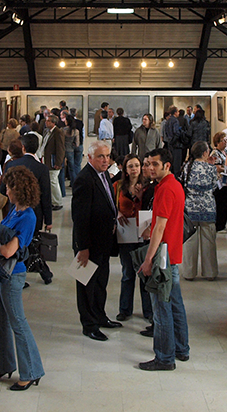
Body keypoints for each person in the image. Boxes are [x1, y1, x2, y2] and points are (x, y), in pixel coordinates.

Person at [0, 166, 46, 391]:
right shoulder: (14, 210)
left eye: (9, 187)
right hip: (0, 271)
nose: (6, 191)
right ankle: (3, 365)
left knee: (17, 322)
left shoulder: (28, 216)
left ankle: (31, 371)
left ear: (18, 189)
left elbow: (10, 250)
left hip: (13, 274)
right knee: (0, 321)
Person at [138, 148, 190, 371]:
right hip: (172, 252)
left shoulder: (167, 188)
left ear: (167, 166)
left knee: (161, 308)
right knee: (175, 303)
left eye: (155, 164)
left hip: (163, 256)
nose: (150, 168)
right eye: (148, 163)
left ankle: (165, 357)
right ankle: (181, 348)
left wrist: (148, 260)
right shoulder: (172, 185)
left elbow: (159, 228)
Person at [72, 141, 121, 341]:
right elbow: (80, 218)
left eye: (107, 156)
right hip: (89, 245)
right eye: (101, 156)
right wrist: (83, 248)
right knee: (87, 286)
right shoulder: (84, 179)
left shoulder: (103, 175)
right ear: (89, 158)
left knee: (101, 282)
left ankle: (100, 316)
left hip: (103, 242)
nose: (105, 160)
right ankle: (89, 324)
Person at [1, 135, 54, 284]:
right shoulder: (42, 168)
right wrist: (48, 220)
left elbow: (1, 189)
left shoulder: (12, 165)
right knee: (31, 245)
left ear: (23, 148)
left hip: (16, 211)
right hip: (35, 214)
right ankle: (44, 273)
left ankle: (32, 273)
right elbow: (46, 196)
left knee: (21, 246)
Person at [113, 153, 154, 324]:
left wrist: (139, 197)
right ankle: (125, 309)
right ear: (125, 169)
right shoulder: (118, 186)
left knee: (145, 274)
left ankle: (148, 311)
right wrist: (118, 213)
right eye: (131, 166)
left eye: (137, 165)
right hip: (125, 234)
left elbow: (150, 207)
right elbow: (110, 205)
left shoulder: (148, 186)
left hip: (143, 233)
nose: (135, 169)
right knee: (127, 273)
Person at [181, 141, 219, 280]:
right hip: (207, 208)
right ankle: (210, 272)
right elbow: (214, 186)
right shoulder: (210, 168)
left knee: (190, 242)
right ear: (205, 153)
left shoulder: (186, 167)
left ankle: (189, 272)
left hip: (190, 209)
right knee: (208, 241)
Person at [37, 115, 65, 212]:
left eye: (49, 121)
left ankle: (58, 202)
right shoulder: (46, 131)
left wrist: (58, 162)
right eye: (46, 121)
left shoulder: (58, 133)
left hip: (53, 161)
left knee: (53, 181)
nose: (46, 122)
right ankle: (53, 201)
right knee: (50, 181)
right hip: (46, 159)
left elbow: (60, 149)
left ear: (53, 123)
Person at [210, 131, 227, 232]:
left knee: (225, 203)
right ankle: (219, 225)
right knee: (220, 203)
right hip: (219, 183)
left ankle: (223, 224)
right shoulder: (215, 153)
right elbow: (217, 168)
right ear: (217, 142)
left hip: (226, 182)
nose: (225, 142)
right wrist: (226, 168)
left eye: (226, 140)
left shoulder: (226, 152)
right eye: (223, 140)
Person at [62, 114, 80, 188]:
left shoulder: (62, 130)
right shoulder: (75, 131)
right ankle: (74, 183)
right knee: (72, 168)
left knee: (62, 168)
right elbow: (77, 144)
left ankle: (62, 185)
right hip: (70, 150)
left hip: (63, 150)